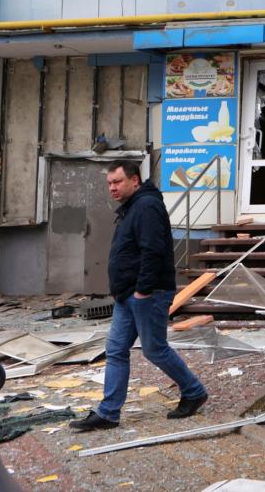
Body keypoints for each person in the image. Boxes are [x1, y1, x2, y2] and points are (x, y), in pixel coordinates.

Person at [70, 161, 207, 431]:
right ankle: (108, 413)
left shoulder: (146, 206)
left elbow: (153, 251)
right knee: (116, 350)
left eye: (117, 182)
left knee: (154, 349)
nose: (112, 188)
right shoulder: (133, 207)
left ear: (135, 180)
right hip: (127, 295)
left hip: (148, 294)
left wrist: (143, 290)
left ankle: (194, 391)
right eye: (109, 183)